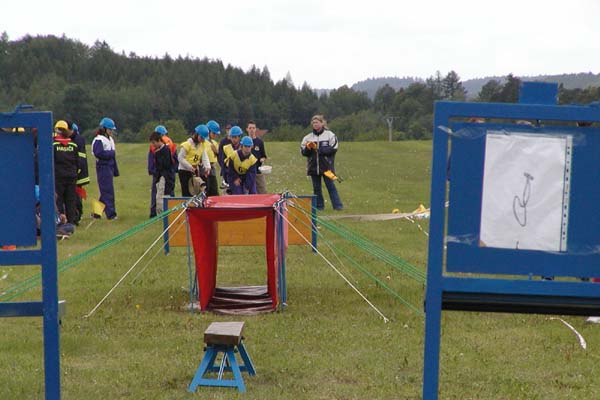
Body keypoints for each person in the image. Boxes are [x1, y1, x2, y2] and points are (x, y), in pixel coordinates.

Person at [301, 115, 343, 211]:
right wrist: (308, 148)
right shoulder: (308, 137)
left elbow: (334, 148)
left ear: (322, 123)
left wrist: (319, 149)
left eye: (317, 122)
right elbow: (303, 152)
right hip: (313, 167)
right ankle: (319, 207)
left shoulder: (330, 135)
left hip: (326, 167)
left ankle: (338, 206)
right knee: (316, 188)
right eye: (313, 123)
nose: (315, 124)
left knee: (331, 186)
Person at [92, 117, 119, 219]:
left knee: (105, 191)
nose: (111, 131)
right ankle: (111, 214)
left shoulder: (110, 139)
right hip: (103, 167)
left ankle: (96, 213)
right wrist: (111, 153)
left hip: (110, 167)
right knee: (108, 192)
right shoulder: (99, 140)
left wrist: (115, 170)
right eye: (110, 129)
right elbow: (98, 153)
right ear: (104, 129)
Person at [53, 120, 79, 225]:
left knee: (58, 199)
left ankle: (60, 222)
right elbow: (77, 161)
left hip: (58, 176)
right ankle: (71, 222)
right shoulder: (73, 145)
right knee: (71, 200)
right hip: (72, 176)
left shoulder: (53, 145)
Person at [148, 125, 177, 217]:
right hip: (160, 177)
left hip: (166, 177)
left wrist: (161, 175)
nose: (153, 145)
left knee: (163, 196)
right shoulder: (157, 151)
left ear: (159, 140)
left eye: (154, 143)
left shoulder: (165, 150)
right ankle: (158, 214)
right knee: (158, 195)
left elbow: (167, 165)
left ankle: (165, 215)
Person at [67, 121, 90, 225]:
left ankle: (77, 216)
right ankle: (75, 216)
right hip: (75, 172)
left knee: (76, 196)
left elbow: (79, 158)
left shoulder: (77, 140)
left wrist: (76, 170)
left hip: (77, 173)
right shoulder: (77, 139)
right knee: (75, 195)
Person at [178, 124, 210, 197]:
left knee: (195, 191)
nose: (202, 140)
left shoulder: (202, 145)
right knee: (186, 192)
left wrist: (207, 167)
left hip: (194, 171)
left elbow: (204, 157)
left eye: (204, 138)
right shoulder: (187, 144)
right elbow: (180, 158)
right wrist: (189, 167)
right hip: (184, 171)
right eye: (201, 137)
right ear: (197, 135)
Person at [246, 120, 268, 193]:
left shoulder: (259, 142)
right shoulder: (244, 141)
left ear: (255, 129)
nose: (252, 130)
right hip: (246, 172)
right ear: (247, 129)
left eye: (253, 128)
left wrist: (262, 159)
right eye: (250, 128)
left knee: (262, 190)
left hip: (258, 171)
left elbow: (264, 156)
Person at [220, 125, 243, 190]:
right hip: (230, 176)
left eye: (235, 137)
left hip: (242, 177)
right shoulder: (226, 148)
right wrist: (225, 178)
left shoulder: (244, 147)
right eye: (232, 137)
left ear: (239, 137)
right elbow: (223, 164)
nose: (233, 139)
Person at [205, 120, 221, 196]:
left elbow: (219, 157)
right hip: (204, 168)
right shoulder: (202, 142)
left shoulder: (215, 143)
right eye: (213, 133)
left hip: (212, 168)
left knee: (214, 190)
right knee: (206, 189)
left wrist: (216, 152)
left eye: (216, 134)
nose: (215, 135)